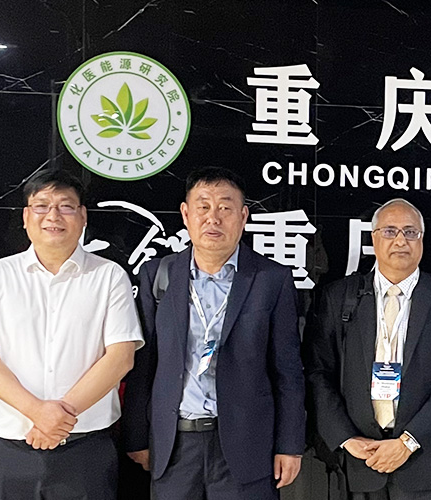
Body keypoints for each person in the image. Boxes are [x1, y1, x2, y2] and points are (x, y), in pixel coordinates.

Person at [122, 166, 306, 499]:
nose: (213, 218)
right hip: (174, 446)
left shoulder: (271, 279)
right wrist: (136, 436)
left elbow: (288, 371)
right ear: (186, 214)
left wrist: (290, 445)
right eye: (203, 206)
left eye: (225, 207)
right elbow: (142, 366)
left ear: (243, 216)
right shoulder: (157, 276)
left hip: (247, 447)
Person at [0, 170, 142, 499]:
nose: (53, 216)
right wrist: (37, 412)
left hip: (85, 451)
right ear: (26, 217)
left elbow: (120, 358)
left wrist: (60, 416)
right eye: (42, 206)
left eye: (66, 206)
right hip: (10, 450)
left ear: (83, 216)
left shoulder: (109, 276)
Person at [305, 199, 431, 500]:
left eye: (410, 232)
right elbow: (319, 373)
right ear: (373, 238)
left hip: (424, 464)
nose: (400, 240)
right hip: (359, 462)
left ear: (422, 240)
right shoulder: (340, 297)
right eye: (390, 231)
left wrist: (408, 442)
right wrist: (346, 438)